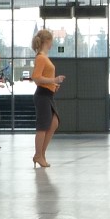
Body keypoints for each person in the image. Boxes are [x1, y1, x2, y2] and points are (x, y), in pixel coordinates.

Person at [30, 28, 64, 167]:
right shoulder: (41, 58)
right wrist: (53, 80)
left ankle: (41, 153)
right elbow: (36, 78)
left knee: (54, 122)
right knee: (43, 126)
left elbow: (43, 78)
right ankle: (38, 154)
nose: (52, 44)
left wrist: (53, 85)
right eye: (51, 41)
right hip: (42, 95)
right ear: (47, 41)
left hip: (48, 94)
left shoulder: (44, 57)